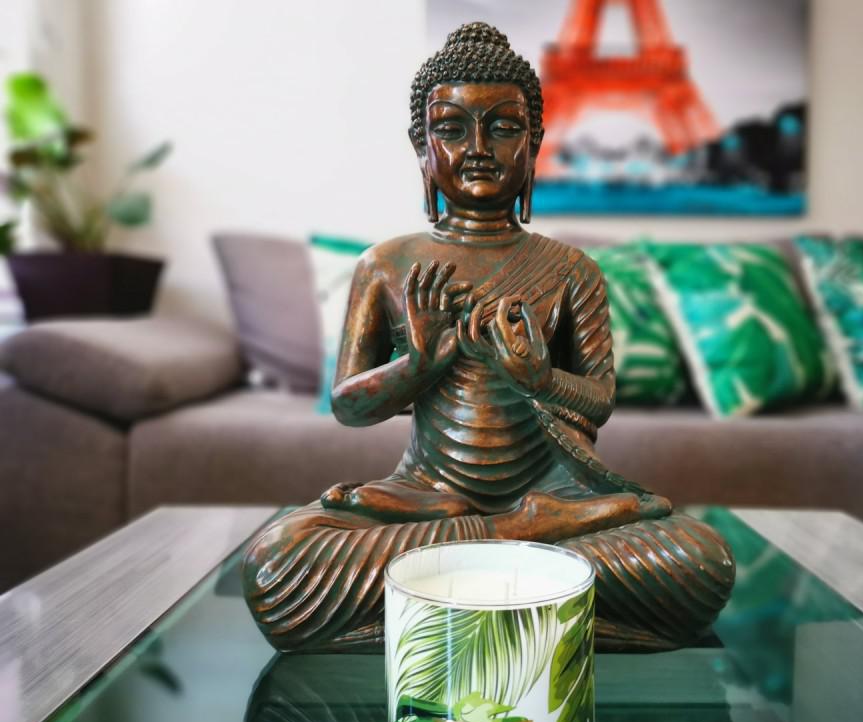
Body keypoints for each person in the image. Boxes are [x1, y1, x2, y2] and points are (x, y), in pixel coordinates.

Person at [243, 22, 733, 653]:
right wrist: (416, 366)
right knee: (278, 560)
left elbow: (600, 400)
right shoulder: (385, 265)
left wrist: (541, 380)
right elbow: (348, 406)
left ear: (534, 143)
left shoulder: (571, 269)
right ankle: (526, 555)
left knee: (700, 557)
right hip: (429, 497)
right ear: (421, 147)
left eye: (502, 127)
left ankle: (446, 597)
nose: (477, 147)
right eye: (451, 129)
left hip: (553, 496)